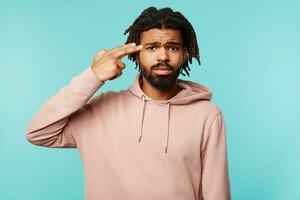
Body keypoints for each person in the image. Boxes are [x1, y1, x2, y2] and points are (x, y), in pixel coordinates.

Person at [26, 6, 231, 200]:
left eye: (172, 47)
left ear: (185, 53)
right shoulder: (102, 109)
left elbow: (216, 195)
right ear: (136, 54)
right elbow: (39, 133)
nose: (163, 56)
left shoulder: (207, 116)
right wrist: (93, 76)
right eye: (151, 48)